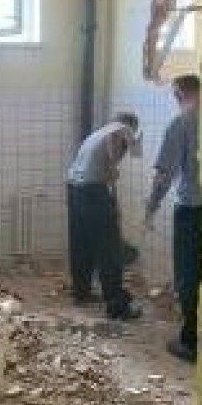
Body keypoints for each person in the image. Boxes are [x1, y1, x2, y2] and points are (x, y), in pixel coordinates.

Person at [145, 74, 202, 363]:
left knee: (189, 275)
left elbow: (164, 174)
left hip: (192, 209)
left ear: (178, 94)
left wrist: (151, 206)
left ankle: (191, 342)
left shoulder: (182, 122)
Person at [66, 113, 143, 320]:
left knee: (82, 244)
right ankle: (116, 305)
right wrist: (112, 174)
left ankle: (81, 292)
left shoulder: (97, 134)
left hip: (75, 190)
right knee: (109, 250)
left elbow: (106, 167)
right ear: (130, 126)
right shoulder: (121, 130)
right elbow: (119, 155)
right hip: (93, 191)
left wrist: (111, 181)